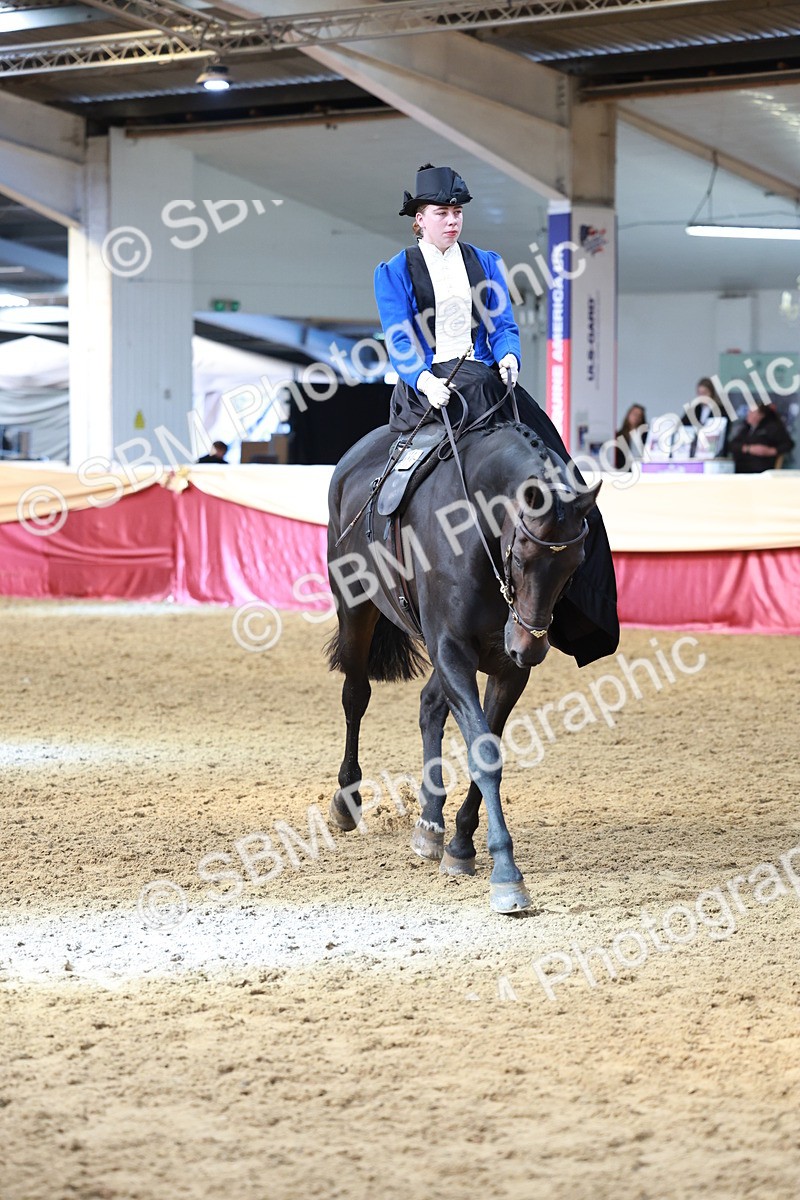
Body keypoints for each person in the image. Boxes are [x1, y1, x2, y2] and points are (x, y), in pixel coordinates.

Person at [372, 162, 619, 668]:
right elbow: (398, 336)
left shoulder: (486, 261)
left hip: (488, 381)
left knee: (560, 470)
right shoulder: (393, 271)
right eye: (442, 212)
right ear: (419, 218)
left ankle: (572, 601)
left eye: (457, 212)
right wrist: (422, 378)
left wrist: (509, 353)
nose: (452, 220)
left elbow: (503, 322)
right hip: (428, 387)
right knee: (407, 478)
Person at [727, 400, 794, 473]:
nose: (749, 414)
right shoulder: (746, 428)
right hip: (740, 467)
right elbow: (732, 445)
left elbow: (788, 444)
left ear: (761, 415)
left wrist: (772, 451)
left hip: (761, 468)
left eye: (752, 412)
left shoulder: (772, 427)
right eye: (749, 412)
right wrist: (748, 448)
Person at [613, 404, 647, 469]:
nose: (636, 417)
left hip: (642, 470)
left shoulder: (645, 436)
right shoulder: (619, 435)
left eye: (640, 415)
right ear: (628, 414)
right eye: (634, 414)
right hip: (624, 471)